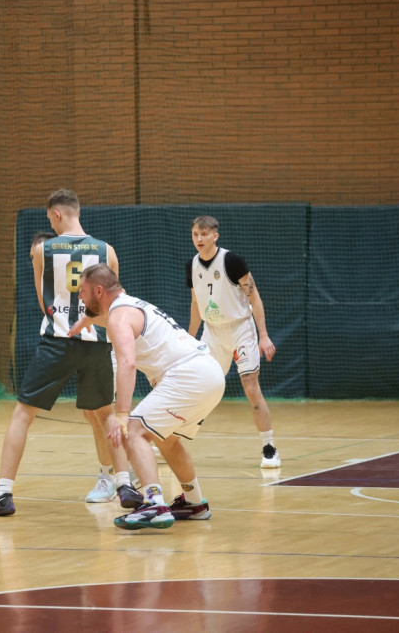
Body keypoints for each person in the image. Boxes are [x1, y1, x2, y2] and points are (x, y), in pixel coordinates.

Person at [0, 189, 132, 517]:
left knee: (22, 415)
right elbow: (116, 302)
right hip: (97, 342)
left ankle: (3, 494)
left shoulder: (43, 250)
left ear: (56, 215)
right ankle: (125, 483)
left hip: (57, 340)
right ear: (77, 210)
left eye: (49, 218)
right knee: (105, 416)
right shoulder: (106, 250)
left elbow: (42, 298)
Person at [70, 264, 225, 530]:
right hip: (209, 373)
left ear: (98, 290)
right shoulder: (127, 306)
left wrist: (122, 413)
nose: (80, 299)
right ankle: (195, 502)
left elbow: (128, 363)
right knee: (168, 441)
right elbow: (112, 314)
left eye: (82, 292)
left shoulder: (119, 317)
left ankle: (154, 503)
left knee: (133, 430)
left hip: (188, 375)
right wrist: (89, 319)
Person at [28, 229, 135, 504]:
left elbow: (114, 304)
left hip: (102, 342)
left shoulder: (90, 269)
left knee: (104, 413)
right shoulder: (79, 266)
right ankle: (117, 473)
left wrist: (90, 323)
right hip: (87, 340)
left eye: (35, 256)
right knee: (95, 414)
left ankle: (115, 476)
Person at [187, 215, 281, 468]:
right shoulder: (192, 265)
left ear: (215, 236)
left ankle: (269, 447)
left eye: (204, 234)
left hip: (240, 329)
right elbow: (196, 304)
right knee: (203, 388)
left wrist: (264, 335)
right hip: (212, 332)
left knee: (250, 387)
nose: (200, 239)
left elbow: (255, 297)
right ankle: (177, 440)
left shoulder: (232, 261)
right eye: (196, 234)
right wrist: (189, 338)